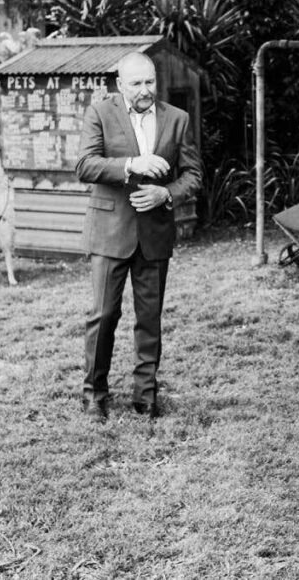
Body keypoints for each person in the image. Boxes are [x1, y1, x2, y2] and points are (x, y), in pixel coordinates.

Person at [75, 52, 202, 422]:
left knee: (150, 317)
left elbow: (193, 175)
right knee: (103, 315)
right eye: (136, 83)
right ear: (120, 85)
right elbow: (85, 165)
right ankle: (94, 394)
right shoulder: (100, 113)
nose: (145, 90)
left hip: (155, 233)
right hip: (109, 232)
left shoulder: (177, 119)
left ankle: (145, 395)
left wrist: (167, 193)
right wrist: (132, 164)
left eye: (150, 81)